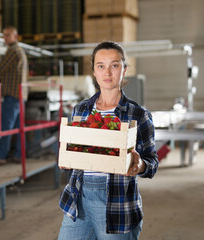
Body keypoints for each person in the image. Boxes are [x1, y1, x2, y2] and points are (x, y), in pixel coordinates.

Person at [58, 41, 159, 239]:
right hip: (78, 198)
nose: (108, 72)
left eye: (114, 65)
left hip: (117, 203)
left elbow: (152, 163)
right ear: (94, 71)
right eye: (101, 66)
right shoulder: (81, 110)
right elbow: (75, 155)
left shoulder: (139, 114)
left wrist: (140, 165)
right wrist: (67, 158)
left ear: (124, 69)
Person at [0, 26, 28, 165]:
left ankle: (1, 156)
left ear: (15, 36)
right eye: (4, 35)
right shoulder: (20, 51)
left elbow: (0, 69)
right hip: (20, 96)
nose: (5, 38)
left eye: (8, 35)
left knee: (7, 128)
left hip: (12, 96)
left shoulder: (12, 51)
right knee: (20, 128)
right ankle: (19, 155)